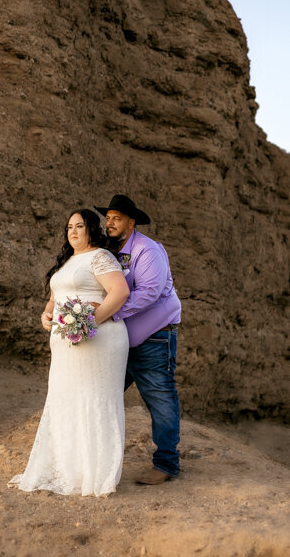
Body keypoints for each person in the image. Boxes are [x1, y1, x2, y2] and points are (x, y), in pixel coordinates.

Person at [11, 209, 129, 495]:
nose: (73, 231)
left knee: (93, 399)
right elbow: (56, 296)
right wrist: (46, 313)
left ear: (91, 229)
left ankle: (95, 473)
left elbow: (119, 291)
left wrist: (90, 321)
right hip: (65, 340)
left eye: (79, 226)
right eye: (69, 227)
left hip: (99, 339)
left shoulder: (101, 257)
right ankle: (67, 467)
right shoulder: (68, 261)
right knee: (65, 398)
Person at [96, 194, 182, 484]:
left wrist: (110, 313)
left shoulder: (148, 250)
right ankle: (93, 456)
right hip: (121, 339)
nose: (110, 223)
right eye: (108, 218)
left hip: (154, 337)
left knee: (160, 398)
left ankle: (167, 464)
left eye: (116, 218)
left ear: (131, 223)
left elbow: (150, 292)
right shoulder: (111, 252)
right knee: (101, 392)